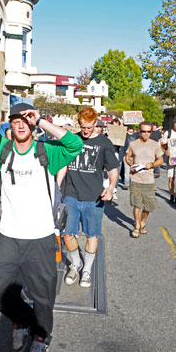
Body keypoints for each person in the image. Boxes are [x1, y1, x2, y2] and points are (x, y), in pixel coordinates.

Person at [0, 102, 82, 352]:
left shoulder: (47, 152)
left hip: (42, 237)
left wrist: (42, 122)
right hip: (10, 236)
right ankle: (23, 322)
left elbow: (75, 145)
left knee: (43, 297)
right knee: (0, 289)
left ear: (32, 124)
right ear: (10, 125)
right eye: (16, 120)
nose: (21, 123)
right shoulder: (2, 149)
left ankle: (41, 337)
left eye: (26, 119)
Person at [57, 107, 118, 288]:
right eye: (83, 127)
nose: (86, 131)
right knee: (67, 233)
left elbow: (113, 169)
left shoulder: (104, 143)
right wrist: (56, 189)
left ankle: (87, 270)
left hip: (94, 197)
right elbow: (62, 165)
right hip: (71, 194)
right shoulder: (72, 140)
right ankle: (76, 263)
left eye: (89, 127)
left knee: (93, 235)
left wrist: (112, 187)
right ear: (79, 123)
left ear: (95, 123)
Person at [125, 121, 164, 238]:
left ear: (151, 132)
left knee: (148, 206)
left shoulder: (155, 144)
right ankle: (137, 225)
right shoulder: (133, 144)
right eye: (143, 131)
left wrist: (152, 164)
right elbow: (127, 157)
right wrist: (130, 164)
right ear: (139, 131)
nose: (146, 134)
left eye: (148, 132)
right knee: (137, 204)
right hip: (136, 178)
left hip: (149, 180)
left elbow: (161, 160)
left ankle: (143, 222)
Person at [120, 125, 138, 190]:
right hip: (126, 154)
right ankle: (126, 184)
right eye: (129, 128)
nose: (130, 129)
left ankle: (133, 183)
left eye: (131, 128)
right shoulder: (124, 135)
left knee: (134, 170)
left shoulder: (136, 135)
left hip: (134, 155)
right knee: (127, 170)